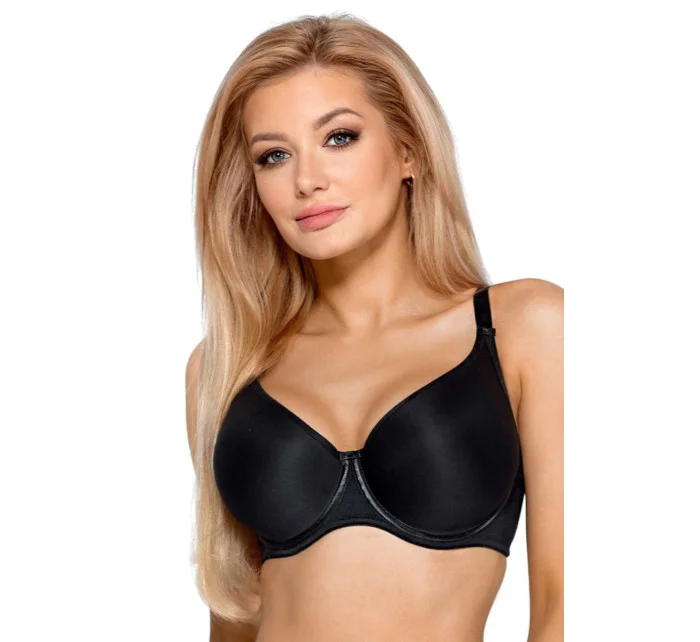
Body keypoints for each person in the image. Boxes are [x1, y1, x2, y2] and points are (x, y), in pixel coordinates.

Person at [185, 13, 563, 642]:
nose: (307, 180)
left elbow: (562, 608)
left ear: (408, 149)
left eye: (339, 138)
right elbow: (233, 620)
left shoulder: (525, 329)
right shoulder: (225, 367)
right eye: (274, 155)